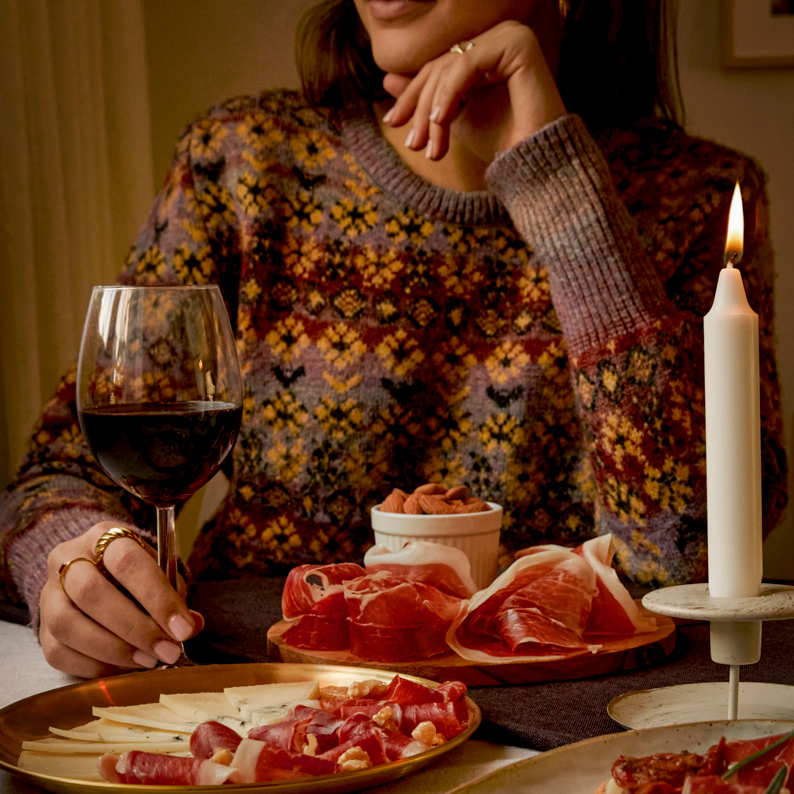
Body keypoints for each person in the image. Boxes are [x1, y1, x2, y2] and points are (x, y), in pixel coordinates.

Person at [0, 0, 787, 678]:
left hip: (550, 740)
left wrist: (560, 190)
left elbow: (694, 562)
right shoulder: (244, 162)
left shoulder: (697, 199)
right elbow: (57, 474)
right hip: (257, 708)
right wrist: (77, 560)